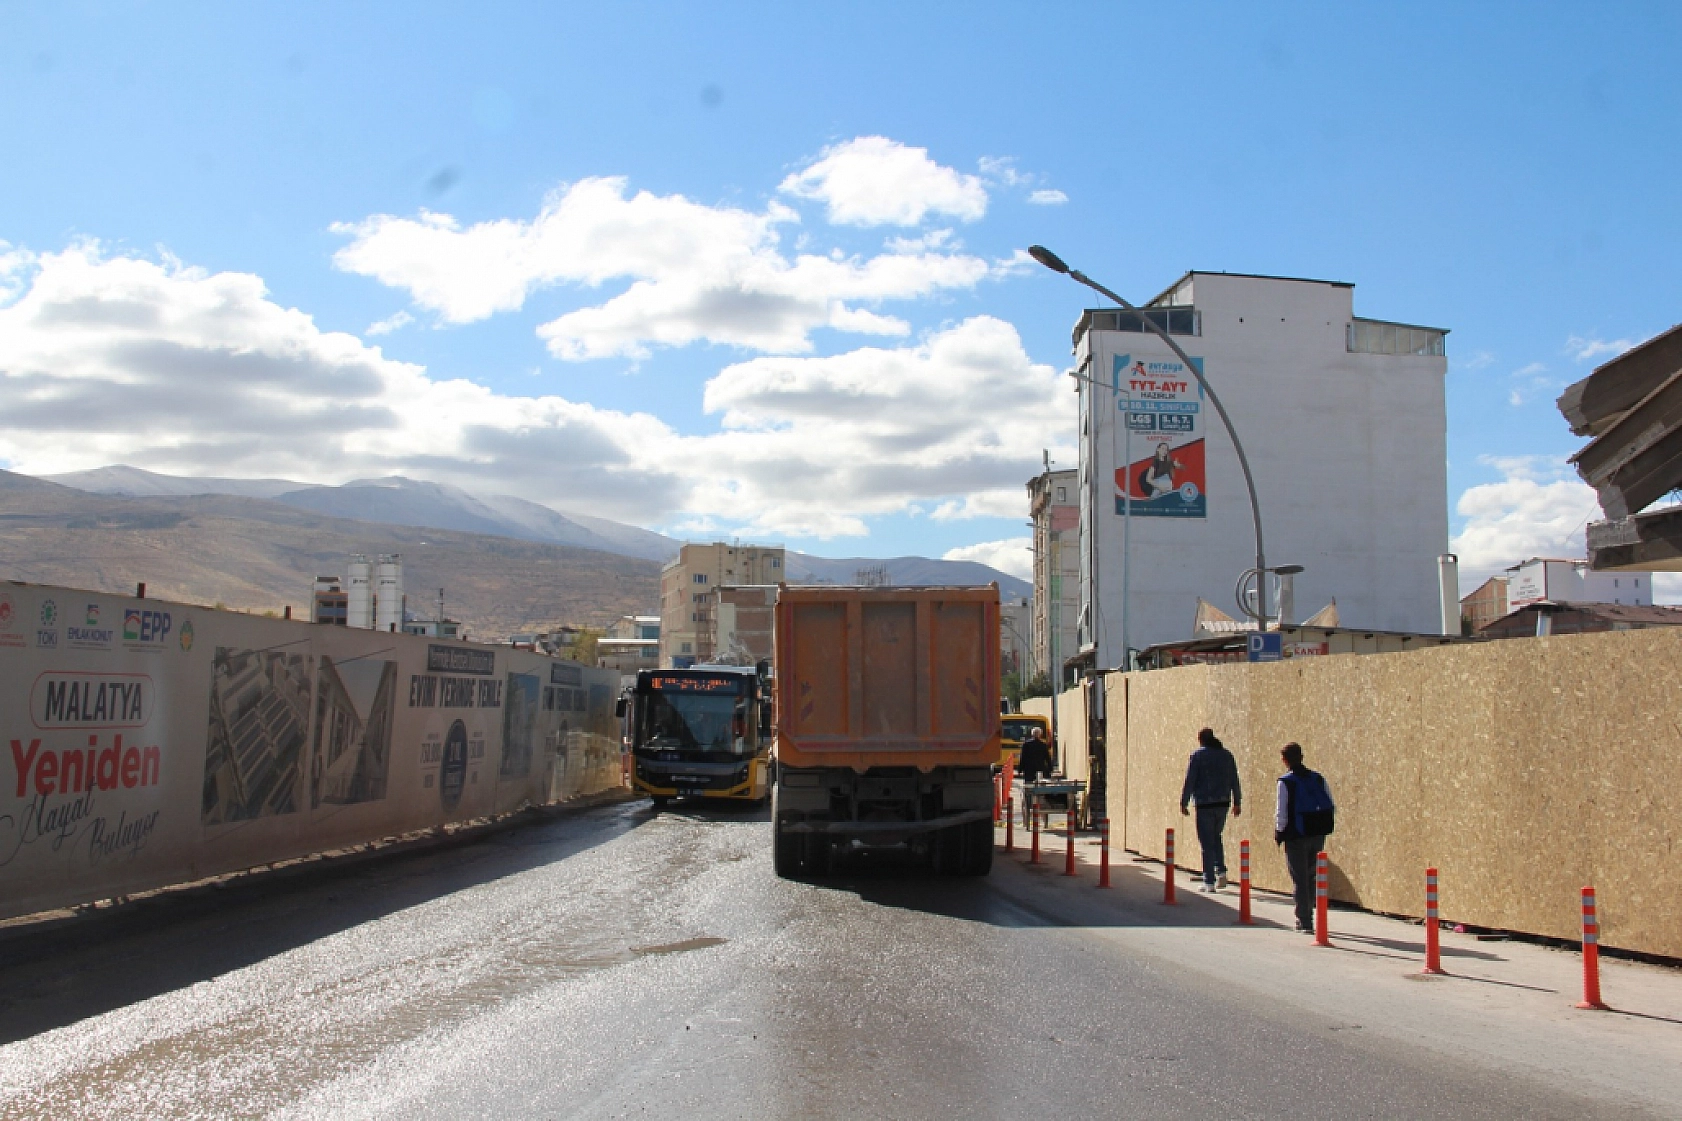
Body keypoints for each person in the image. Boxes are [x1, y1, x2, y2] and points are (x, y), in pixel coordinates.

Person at [1275, 742, 1336, 933]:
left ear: (1285, 761)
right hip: (1317, 833)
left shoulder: (1286, 782)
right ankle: (1310, 913)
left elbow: (1281, 812)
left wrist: (1279, 832)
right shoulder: (1318, 779)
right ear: (1302, 756)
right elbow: (1330, 804)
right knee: (1311, 876)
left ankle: (1305, 921)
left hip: (1296, 835)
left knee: (1299, 878)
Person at [1179, 727, 1241, 891]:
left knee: (1206, 842)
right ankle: (1221, 872)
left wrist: (1184, 802)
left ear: (1200, 740)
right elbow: (1234, 778)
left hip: (1204, 802)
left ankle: (1209, 881)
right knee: (1216, 837)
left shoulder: (1198, 756)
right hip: (1223, 802)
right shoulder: (1227, 755)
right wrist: (1237, 801)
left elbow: (1190, 779)